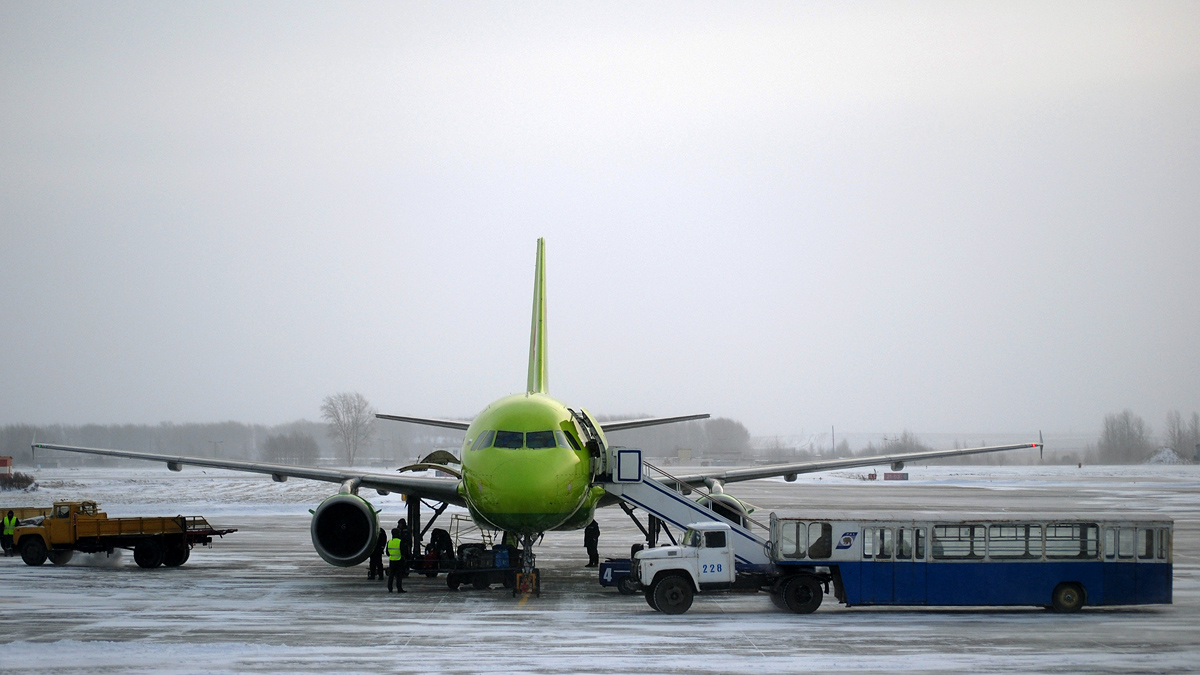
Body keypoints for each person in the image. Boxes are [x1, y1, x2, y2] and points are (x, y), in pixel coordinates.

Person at [386, 528, 406, 593]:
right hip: (399, 560)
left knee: (391, 575)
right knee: (399, 576)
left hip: (392, 560)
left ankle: (390, 588)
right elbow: (403, 551)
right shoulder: (400, 541)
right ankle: (399, 588)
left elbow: (387, 552)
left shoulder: (389, 542)